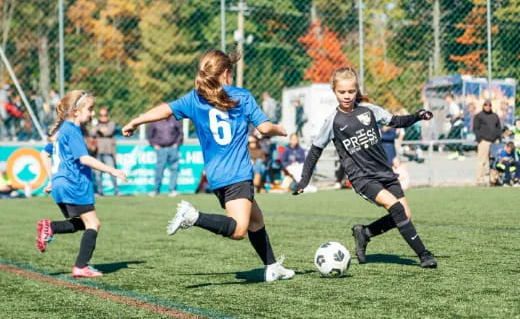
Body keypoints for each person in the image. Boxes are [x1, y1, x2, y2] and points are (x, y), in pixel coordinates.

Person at [122, 49, 295, 282]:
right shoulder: (241, 96)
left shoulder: (195, 98)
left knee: (256, 219)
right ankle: (193, 216)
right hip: (237, 174)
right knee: (239, 230)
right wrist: (280, 129)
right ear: (226, 73)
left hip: (216, 176)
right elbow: (264, 128)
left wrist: (137, 120)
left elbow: (166, 109)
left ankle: (272, 266)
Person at [293, 67, 437, 269]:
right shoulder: (332, 121)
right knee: (396, 208)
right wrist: (304, 180)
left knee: (405, 214)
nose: (346, 96)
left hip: (385, 173)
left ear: (356, 90)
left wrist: (417, 115)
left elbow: (395, 121)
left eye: (350, 91)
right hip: (363, 178)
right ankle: (424, 254)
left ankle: (365, 233)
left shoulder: (369, 110)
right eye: (341, 92)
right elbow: (315, 150)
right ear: (334, 91)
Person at [36, 90, 126, 278]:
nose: (92, 114)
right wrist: (112, 170)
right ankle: (81, 266)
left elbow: (44, 154)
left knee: (82, 223)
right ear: (76, 111)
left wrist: (52, 178)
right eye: (90, 109)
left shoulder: (61, 130)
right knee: (93, 223)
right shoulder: (72, 129)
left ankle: (51, 227)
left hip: (61, 185)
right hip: (74, 183)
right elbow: (84, 159)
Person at [146, 115, 183, 197]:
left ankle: (172, 190)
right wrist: (154, 145)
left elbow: (180, 133)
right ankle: (156, 190)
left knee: (174, 169)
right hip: (160, 149)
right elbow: (149, 134)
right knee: (159, 169)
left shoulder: (174, 120)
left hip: (172, 148)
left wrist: (177, 144)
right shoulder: (155, 121)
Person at [90, 106, 120, 196]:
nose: (103, 117)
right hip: (98, 152)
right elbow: (91, 133)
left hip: (108, 152)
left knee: (112, 171)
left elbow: (109, 132)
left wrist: (99, 130)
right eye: (101, 115)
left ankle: (116, 191)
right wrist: (99, 129)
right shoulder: (96, 124)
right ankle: (100, 191)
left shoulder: (111, 123)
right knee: (98, 173)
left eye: (105, 115)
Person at [473, 100, 501, 186]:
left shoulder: (495, 116)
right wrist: (480, 139)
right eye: (486, 105)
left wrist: (498, 138)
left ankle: (493, 180)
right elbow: (475, 128)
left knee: (494, 162)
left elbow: (498, 128)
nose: (488, 107)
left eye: (489, 105)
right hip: (484, 141)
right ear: (483, 106)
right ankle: (480, 180)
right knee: (482, 161)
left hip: (494, 142)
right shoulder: (479, 116)